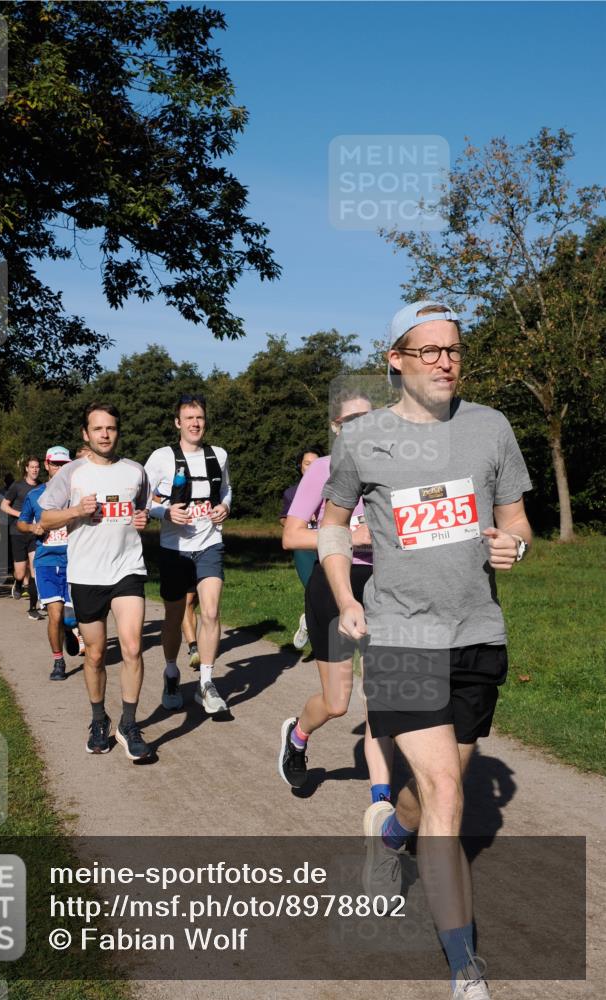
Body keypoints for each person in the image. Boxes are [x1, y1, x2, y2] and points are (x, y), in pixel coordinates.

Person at [319, 301, 532, 999]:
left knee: (427, 800)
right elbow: (332, 525)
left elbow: (516, 521)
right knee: (444, 790)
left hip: (476, 635)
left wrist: (516, 546)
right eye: (430, 350)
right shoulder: (362, 440)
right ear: (397, 361)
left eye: (455, 350)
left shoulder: (491, 427)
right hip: (400, 636)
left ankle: (388, 836)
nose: (446, 361)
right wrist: (347, 600)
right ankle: (464, 965)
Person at [279, 394, 393, 803]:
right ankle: (297, 735)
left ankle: (381, 801)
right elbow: (291, 537)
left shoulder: (393, 468)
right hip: (333, 583)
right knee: (337, 702)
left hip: (386, 588)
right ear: (335, 426)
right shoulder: (323, 471)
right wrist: (351, 536)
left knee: (381, 698)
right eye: (352, 419)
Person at [39, 403, 151, 761]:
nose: (105, 434)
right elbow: (44, 518)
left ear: (118, 432)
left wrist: (143, 518)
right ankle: (98, 719)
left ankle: (129, 724)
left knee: (132, 648)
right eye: (98, 429)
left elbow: (141, 508)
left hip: (127, 569)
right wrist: (75, 511)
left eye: (111, 428)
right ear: (86, 434)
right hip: (87, 575)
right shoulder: (71, 473)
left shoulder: (135, 471)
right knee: (97, 654)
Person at [144, 394, 232, 714]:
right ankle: (170, 671)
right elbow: (141, 498)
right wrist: (164, 513)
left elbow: (226, 490)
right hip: (174, 549)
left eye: (200, 418)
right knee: (173, 616)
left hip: (210, 544)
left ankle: (206, 683)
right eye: (189, 418)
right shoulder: (160, 458)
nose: (195, 423)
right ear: (178, 423)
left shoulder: (218, 455)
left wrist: (225, 507)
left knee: (210, 612)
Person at [17, 446, 75, 680]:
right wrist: (32, 527)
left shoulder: (77, 492)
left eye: (64, 465)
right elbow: (21, 523)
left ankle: (70, 629)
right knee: (54, 613)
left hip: (75, 560)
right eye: (56, 464)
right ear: (47, 465)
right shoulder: (35, 495)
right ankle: (58, 661)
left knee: (69, 616)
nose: (60, 469)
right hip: (47, 561)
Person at [279, 447, 322, 649]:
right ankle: (309, 625)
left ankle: (309, 622)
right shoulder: (292, 493)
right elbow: (283, 519)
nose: (312, 467)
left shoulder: (332, 488)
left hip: (326, 545)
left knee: (329, 589)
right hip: (304, 549)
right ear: (300, 467)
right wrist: (300, 518)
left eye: (316, 462)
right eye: (307, 463)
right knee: (313, 587)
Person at [0, 457, 41, 619]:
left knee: (35, 569)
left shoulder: (42, 486)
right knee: (20, 572)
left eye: (37, 467)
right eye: (32, 467)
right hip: (17, 532)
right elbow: (3, 505)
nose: (35, 470)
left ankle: (33, 608)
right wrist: (21, 515)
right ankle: (17, 583)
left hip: (34, 532)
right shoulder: (17, 486)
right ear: (26, 469)